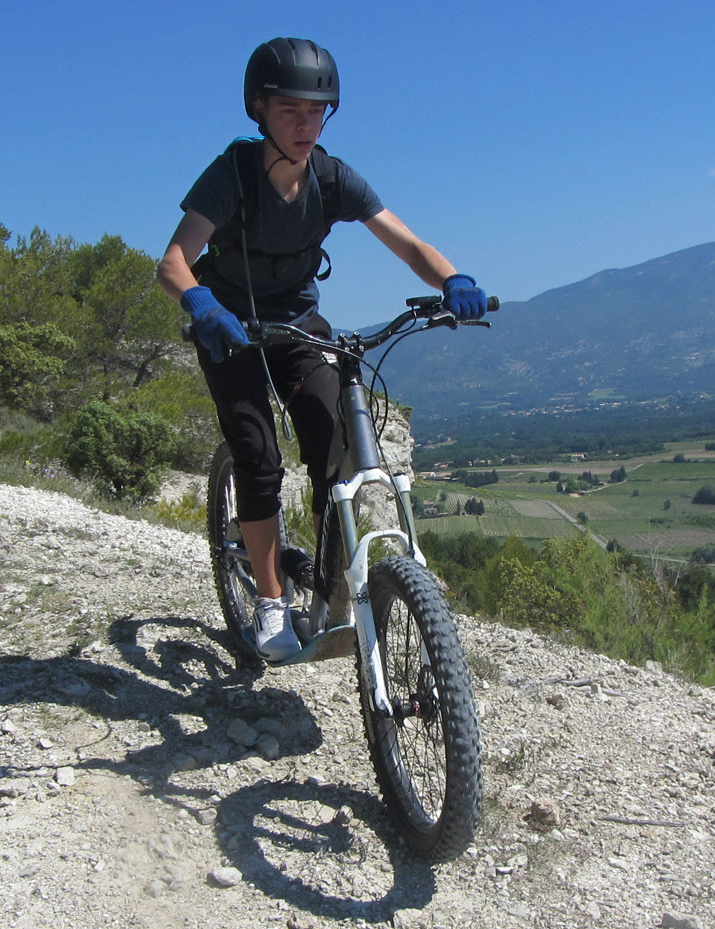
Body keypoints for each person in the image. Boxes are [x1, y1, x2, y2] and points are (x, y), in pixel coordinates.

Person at [157, 36, 486, 662]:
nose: (306, 125)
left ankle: (332, 587)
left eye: (317, 112)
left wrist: (452, 279)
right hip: (232, 330)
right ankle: (271, 602)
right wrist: (201, 304)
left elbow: (407, 242)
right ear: (259, 110)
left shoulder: (332, 178)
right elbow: (175, 261)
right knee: (258, 460)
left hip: (299, 327)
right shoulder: (232, 176)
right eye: (290, 111)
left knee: (331, 448)